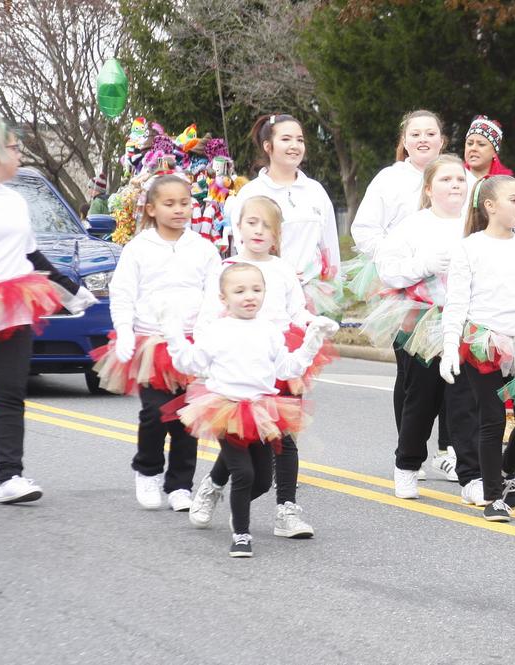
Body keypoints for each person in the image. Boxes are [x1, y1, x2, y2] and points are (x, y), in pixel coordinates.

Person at [0, 107, 97, 504]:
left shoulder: (15, 201)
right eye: (15, 148)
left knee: (10, 392)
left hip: (12, 310)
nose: (21, 155)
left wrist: (73, 293)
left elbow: (33, 257)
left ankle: (10, 476)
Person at [162, 262, 338, 557]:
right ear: (223, 298)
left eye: (256, 290)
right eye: (239, 290)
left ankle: (231, 502)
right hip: (225, 408)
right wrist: (174, 335)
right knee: (242, 473)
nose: (249, 296)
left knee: (261, 481)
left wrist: (313, 339)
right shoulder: (217, 330)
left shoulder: (268, 330)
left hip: (263, 410)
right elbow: (190, 363)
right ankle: (241, 534)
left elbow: (288, 367)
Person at [187, 196, 331, 538]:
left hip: (276, 355)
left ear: (277, 234)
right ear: (239, 227)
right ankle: (214, 482)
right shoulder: (226, 269)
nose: (259, 230)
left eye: (267, 225)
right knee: (239, 432)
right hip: (237, 363)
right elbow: (208, 316)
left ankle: (286, 510)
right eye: (252, 222)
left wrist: (314, 324)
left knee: (283, 436)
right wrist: (206, 356)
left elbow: (297, 311)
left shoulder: (282, 269)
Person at [91, 174, 222, 512]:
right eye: (170, 203)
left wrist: (206, 332)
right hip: (152, 343)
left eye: (185, 203)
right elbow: (123, 293)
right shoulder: (138, 248)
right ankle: (147, 471)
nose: (179, 210)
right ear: (151, 208)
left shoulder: (204, 247)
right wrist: (124, 332)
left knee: (187, 416)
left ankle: (180, 484)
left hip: (193, 341)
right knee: (154, 413)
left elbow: (214, 293)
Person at [346, 109, 458, 481]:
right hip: (406, 288)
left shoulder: (458, 176)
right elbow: (365, 229)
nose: (423, 139)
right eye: (416, 134)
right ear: (405, 140)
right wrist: (399, 258)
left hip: (451, 289)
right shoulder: (390, 179)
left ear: (442, 139)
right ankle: (410, 450)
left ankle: (451, 449)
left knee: (454, 373)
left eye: (431, 133)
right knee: (414, 371)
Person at [361, 155, 472, 499]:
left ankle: (472, 474)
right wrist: (422, 264)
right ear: (428, 189)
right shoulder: (413, 225)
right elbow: (388, 269)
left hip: (467, 321)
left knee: (466, 400)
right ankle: (407, 464)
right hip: (423, 319)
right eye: (446, 179)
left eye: (459, 179)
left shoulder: (474, 225)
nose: (455, 184)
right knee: (423, 397)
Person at [438, 175, 515, 522]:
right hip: (483, 342)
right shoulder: (470, 247)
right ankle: (493, 496)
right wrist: (450, 347)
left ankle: (506, 468)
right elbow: (456, 302)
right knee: (493, 417)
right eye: (513, 200)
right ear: (490, 206)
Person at [224, 114, 342, 318]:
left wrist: (333, 282)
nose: (295, 146)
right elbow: (245, 247)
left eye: (300, 140)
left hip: (312, 297)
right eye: (286, 139)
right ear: (268, 146)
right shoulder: (251, 193)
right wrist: (278, 276)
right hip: (268, 296)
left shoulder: (315, 191)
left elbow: (329, 245)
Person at [463, 115, 514, 183]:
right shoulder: (454, 177)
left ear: (495, 152)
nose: (473, 148)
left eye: (481, 144)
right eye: (470, 143)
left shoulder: (505, 183)